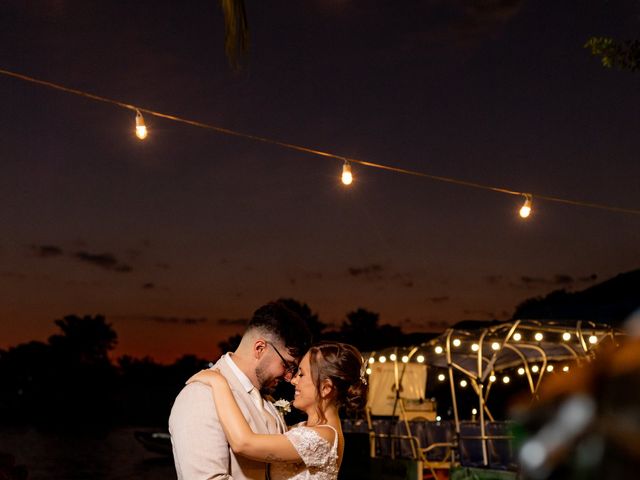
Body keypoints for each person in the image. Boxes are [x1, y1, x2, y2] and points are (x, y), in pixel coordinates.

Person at [169, 301, 313, 480]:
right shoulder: (201, 395)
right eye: (287, 365)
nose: (289, 377)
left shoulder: (267, 399)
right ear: (260, 348)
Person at [187, 341, 368, 480]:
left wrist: (218, 383)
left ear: (326, 388)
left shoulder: (321, 438)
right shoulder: (308, 429)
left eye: (302, 374)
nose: (294, 381)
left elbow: (244, 443)